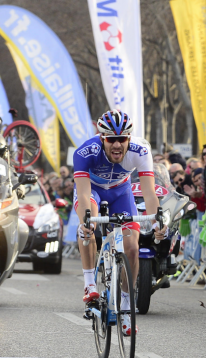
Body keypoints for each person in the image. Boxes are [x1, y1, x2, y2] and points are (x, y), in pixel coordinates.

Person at [74, 110, 166, 336]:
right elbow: (85, 195)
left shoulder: (141, 150)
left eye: (122, 139)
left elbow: (149, 193)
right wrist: (86, 221)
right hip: (93, 192)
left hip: (121, 193)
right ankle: (89, 284)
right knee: (89, 225)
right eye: (111, 139)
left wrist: (157, 222)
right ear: (102, 138)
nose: (117, 145)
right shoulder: (85, 152)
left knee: (133, 247)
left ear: (129, 138)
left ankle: (126, 304)